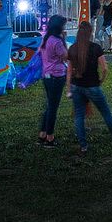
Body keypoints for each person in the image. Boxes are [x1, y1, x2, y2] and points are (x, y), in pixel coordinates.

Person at [67, 20, 112, 154]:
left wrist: (69, 88)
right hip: (92, 86)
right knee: (106, 112)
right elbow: (105, 69)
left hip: (77, 86)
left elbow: (68, 72)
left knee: (79, 116)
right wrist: (100, 81)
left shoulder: (73, 48)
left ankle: (83, 145)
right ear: (90, 33)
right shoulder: (96, 48)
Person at [36, 16, 69, 148]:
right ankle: (50, 137)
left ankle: (42, 134)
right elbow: (66, 56)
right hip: (57, 76)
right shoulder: (57, 42)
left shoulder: (46, 38)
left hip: (47, 75)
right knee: (53, 109)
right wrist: (64, 39)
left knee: (49, 106)